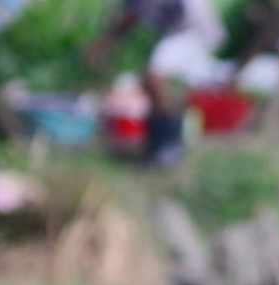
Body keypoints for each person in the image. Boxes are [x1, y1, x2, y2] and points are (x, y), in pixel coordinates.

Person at [86, 0, 227, 168]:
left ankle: (168, 144)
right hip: (184, 29)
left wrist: (103, 45)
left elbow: (129, 18)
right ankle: (159, 143)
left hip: (193, 29)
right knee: (154, 82)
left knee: (153, 77)